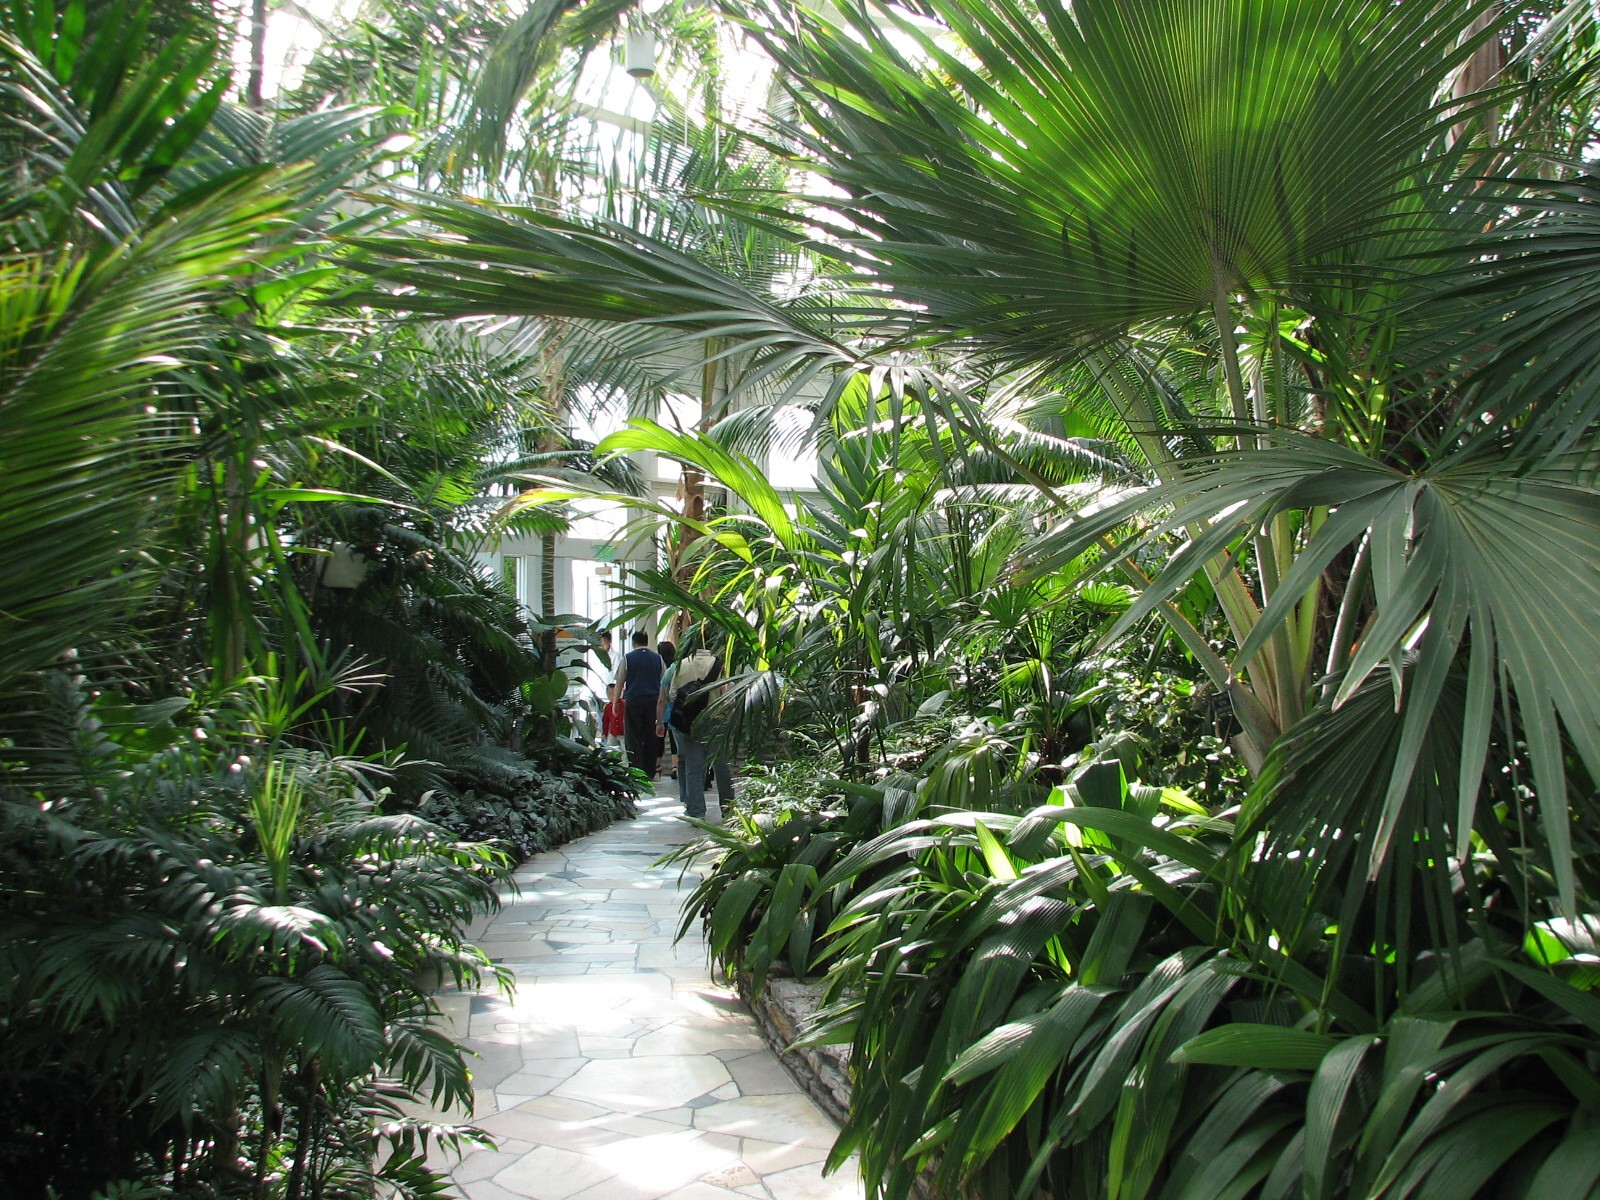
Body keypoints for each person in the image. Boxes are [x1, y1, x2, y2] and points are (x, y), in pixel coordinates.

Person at [656, 645, 732, 819]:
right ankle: (728, 809)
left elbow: (673, 694)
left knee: (693, 768)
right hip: (715, 719)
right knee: (721, 766)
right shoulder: (719, 665)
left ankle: (696, 811)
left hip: (690, 722)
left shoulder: (680, 665)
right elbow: (726, 694)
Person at [613, 630, 663, 777]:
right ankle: (649, 770)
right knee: (650, 736)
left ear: (634, 642)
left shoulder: (627, 658)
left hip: (634, 701)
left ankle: (635, 769)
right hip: (653, 701)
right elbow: (664, 681)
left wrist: (616, 702)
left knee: (633, 735)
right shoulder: (658, 659)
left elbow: (620, 682)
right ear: (647, 642)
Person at [656, 639, 678, 778]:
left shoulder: (664, 669)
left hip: (665, 708)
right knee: (674, 739)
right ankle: (675, 765)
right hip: (676, 709)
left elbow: (662, 696)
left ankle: (657, 764)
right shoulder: (677, 666)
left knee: (659, 737)